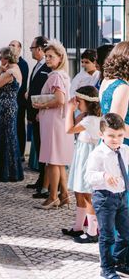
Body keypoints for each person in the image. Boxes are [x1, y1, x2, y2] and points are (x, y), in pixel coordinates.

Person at [84, 113, 129, 279]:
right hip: (104, 198)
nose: (116, 140)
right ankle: (107, 268)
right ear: (101, 134)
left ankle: (119, 261)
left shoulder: (125, 150)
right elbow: (88, 177)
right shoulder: (98, 154)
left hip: (122, 197)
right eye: (111, 136)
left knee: (126, 233)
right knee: (107, 235)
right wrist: (104, 176)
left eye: (120, 135)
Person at [32, 40, 72, 210]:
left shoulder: (56, 76)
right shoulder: (61, 74)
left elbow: (60, 100)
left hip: (54, 122)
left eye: (50, 56)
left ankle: (53, 197)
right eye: (46, 56)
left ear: (60, 57)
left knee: (53, 161)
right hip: (58, 121)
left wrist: (41, 105)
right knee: (59, 161)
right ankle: (64, 195)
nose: (47, 59)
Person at [62, 86, 101, 244]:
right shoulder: (86, 116)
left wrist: (69, 109)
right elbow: (74, 122)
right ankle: (78, 227)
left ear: (88, 102)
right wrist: (76, 110)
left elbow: (69, 129)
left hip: (88, 158)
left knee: (87, 193)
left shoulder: (92, 120)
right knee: (79, 191)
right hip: (81, 156)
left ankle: (92, 231)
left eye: (79, 101)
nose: (76, 103)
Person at [0, 46, 24, 182]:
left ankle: (7, 172)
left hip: (6, 107)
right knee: (9, 136)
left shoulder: (10, 72)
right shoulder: (17, 70)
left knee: (6, 137)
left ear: (7, 58)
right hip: (9, 106)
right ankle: (12, 171)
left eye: (1, 57)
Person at [26, 36, 52, 197]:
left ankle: (45, 181)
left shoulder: (48, 68)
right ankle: (41, 178)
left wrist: (37, 112)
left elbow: (45, 92)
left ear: (40, 48)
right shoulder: (37, 65)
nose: (31, 51)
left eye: (32, 48)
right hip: (34, 113)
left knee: (43, 148)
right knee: (39, 147)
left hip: (41, 114)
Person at [99, 41, 129, 144]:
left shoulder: (106, 80)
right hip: (121, 144)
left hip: (108, 141)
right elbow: (116, 125)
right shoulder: (123, 87)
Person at [9, 40, 29, 160]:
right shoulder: (10, 63)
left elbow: (22, 84)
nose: (10, 47)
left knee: (19, 126)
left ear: (19, 48)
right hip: (11, 100)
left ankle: (20, 153)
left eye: (13, 45)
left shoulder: (22, 63)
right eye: (10, 45)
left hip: (19, 100)